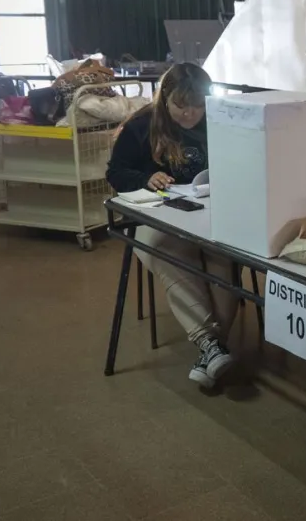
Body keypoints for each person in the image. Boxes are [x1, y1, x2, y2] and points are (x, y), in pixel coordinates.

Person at [106, 62, 239, 389]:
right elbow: (116, 174)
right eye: (182, 106)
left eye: (198, 106)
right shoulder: (141, 126)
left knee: (224, 257)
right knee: (171, 253)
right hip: (156, 219)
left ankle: (210, 349)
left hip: (207, 215)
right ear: (165, 97)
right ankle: (210, 344)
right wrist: (145, 178)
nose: (191, 114)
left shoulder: (217, 121)